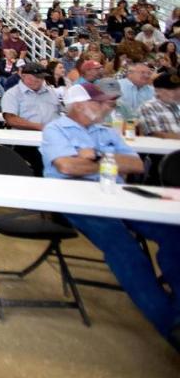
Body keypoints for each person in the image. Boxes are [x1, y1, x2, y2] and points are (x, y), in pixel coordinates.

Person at [40, 83, 180, 351]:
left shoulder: (107, 131)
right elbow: (67, 166)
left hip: (118, 194)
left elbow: (137, 164)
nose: (109, 106)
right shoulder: (56, 129)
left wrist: (96, 156)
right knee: (121, 245)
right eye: (101, 102)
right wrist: (104, 161)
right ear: (80, 105)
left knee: (173, 233)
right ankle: (170, 323)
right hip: (74, 198)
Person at [137, 70, 180, 138]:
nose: (177, 93)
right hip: (166, 147)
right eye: (173, 90)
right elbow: (156, 135)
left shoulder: (176, 105)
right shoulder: (148, 107)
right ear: (159, 91)